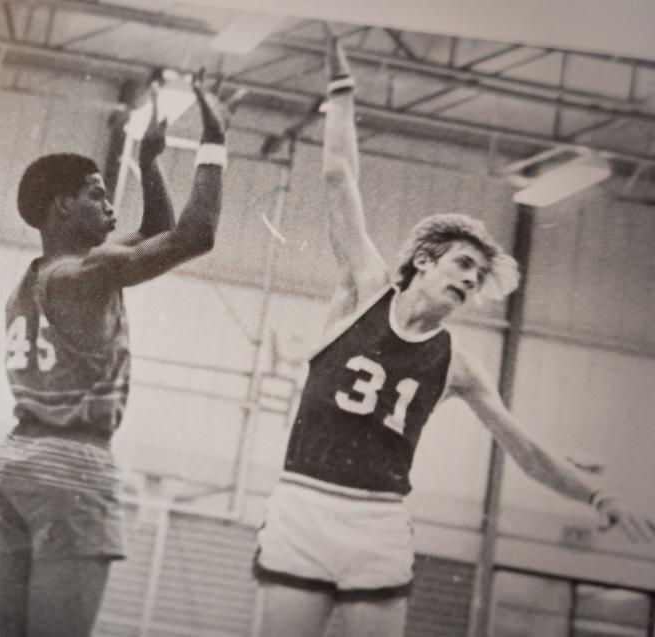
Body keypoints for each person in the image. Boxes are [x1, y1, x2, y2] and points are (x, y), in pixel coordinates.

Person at [253, 36, 655, 637]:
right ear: (422, 260)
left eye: (478, 277)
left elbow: (526, 451)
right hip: (303, 503)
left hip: (378, 522)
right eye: (463, 264)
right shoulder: (365, 288)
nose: (470, 280)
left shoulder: (458, 366)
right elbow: (339, 177)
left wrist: (597, 494)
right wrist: (340, 92)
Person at [0, 72, 228, 637]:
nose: (109, 207)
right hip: (73, 465)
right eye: (97, 194)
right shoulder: (85, 274)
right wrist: (215, 138)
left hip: (16, 463)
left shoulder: (37, 280)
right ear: (60, 206)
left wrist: (148, 165)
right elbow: (195, 235)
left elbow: (155, 235)